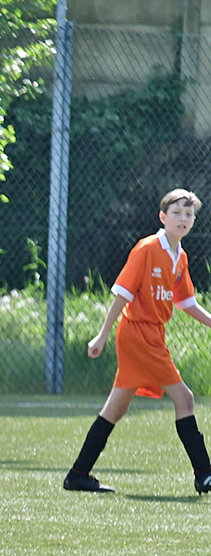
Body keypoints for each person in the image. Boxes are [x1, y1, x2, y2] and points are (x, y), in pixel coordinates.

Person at [64, 188, 211, 495]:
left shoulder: (180, 257)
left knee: (116, 408)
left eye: (188, 214)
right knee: (184, 398)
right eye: (176, 213)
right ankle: (205, 474)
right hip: (137, 335)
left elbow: (187, 303)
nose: (183, 218)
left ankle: (77, 474)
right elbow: (122, 294)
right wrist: (102, 334)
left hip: (152, 335)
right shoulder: (146, 248)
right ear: (162, 217)